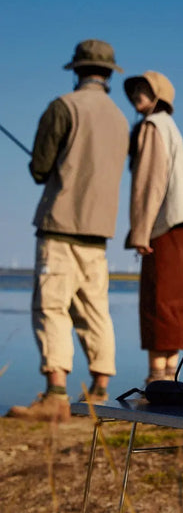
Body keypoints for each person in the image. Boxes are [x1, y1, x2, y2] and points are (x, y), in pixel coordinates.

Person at [7, 39, 129, 421]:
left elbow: (40, 168)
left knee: (52, 307)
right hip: (100, 232)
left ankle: (56, 395)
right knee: (96, 310)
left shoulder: (63, 107)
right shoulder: (121, 119)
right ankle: (100, 392)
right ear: (108, 75)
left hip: (60, 225)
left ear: (77, 70)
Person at [123, 71, 183, 385]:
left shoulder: (154, 126)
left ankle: (158, 378)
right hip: (180, 221)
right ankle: (168, 375)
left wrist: (140, 231)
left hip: (165, 223)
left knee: (159, 299)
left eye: (145, 90)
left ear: (158, 96)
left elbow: (149, 183)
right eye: (135, 90)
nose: (137, 95)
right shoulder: (170, 127)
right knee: (172, 297)